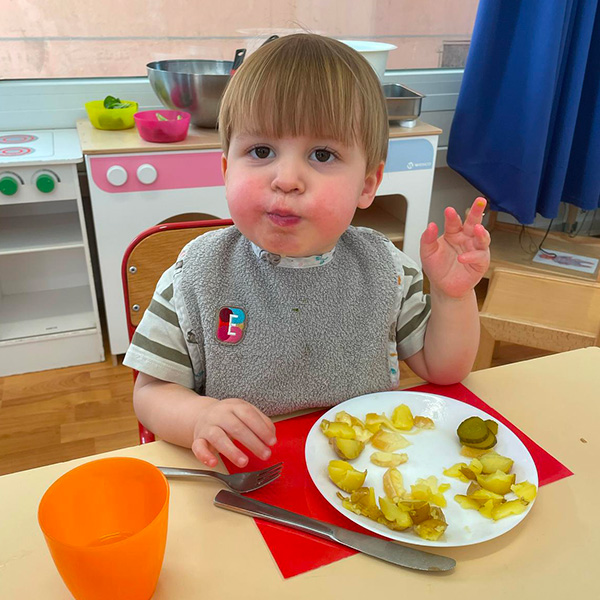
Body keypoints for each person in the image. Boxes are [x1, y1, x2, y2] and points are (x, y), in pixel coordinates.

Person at [123, 33, 490, 470]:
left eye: (322, 154)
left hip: (365, 475)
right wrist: (199, 417)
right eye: (261, 151)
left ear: (368, 184)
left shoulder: (387, 271)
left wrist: (453, 296)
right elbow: (150, 394)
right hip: (247, 475)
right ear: (226, 170)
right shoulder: (196, 275)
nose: (287, 178)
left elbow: (442, 369)